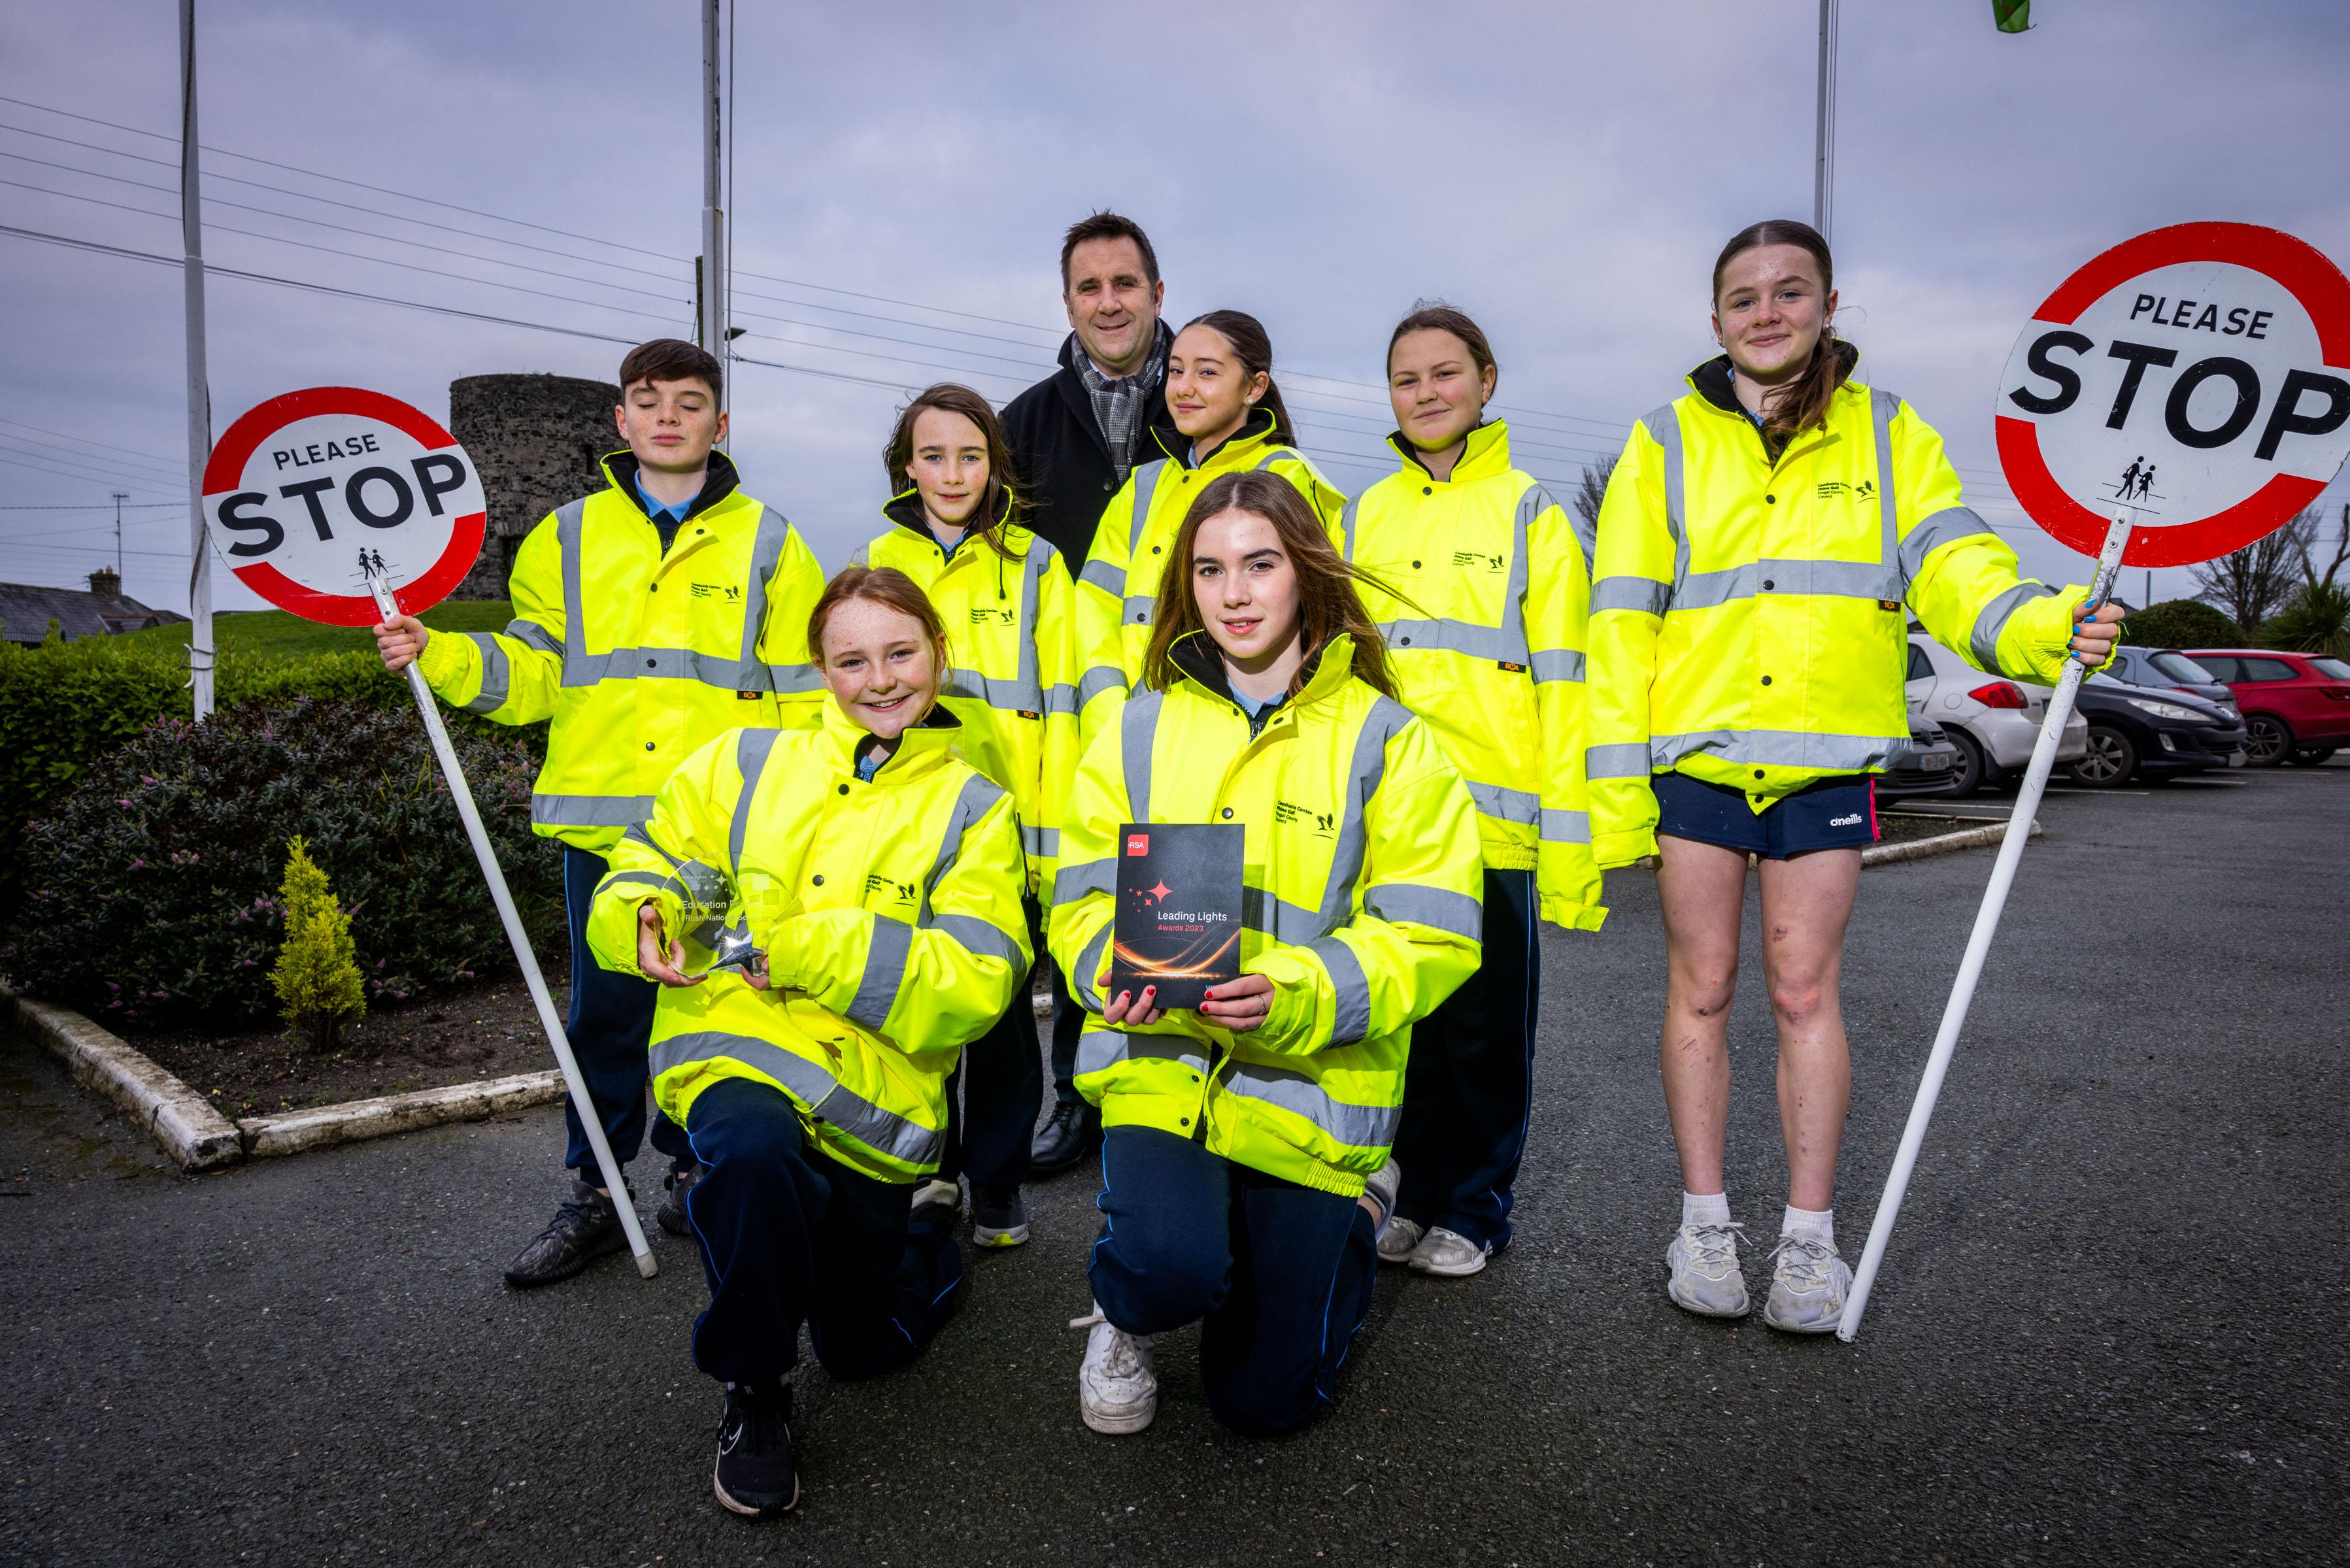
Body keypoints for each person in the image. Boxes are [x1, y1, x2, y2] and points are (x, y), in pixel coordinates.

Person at [1585, 220, 2124, 1333]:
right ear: (1716, 318)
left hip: (1825, 759)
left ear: (1829, 305)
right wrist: (1613, 796)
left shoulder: (1890, 434)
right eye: (1745, 297)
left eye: (1791, 292)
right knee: (1702, 988)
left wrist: (2042, 623)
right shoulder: (1663, 440)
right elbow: (1621, 625)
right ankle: (1702, 1223)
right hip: (1698, 760)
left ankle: (1809, 1242)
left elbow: (1957, 562)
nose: (1767, 311)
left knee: (1800, 992)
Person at [373, 338, 827, 1288]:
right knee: (607, 1016)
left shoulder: (777, 544)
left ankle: (692, 1168)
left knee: (718, 1006)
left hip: (723, 834)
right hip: (604, 832)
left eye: (690, 401)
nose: (668, 416)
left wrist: (799, 816)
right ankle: (592, 1189)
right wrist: (441, 653)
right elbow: (534, 670)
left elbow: (802, 700)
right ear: (618, 421)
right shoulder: (565, 536)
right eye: (648, 401)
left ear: (720, 423)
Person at [588, 565, 1030, 1516]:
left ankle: (922, 1235)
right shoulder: (740, 763)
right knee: (745, 1157)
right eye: (851, 659)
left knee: (863, 1353)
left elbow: (978, 980)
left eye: (901, 652)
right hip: (736, 1047)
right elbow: (650, 862)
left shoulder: (975, 807)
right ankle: (754, 1389)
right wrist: (638, 913)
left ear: (938, 655)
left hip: (875, 1104)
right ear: (820, 671)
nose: (879, 678)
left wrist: (804, 945)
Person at [1051, 469, 1481, 1437]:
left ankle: (1359, 1210)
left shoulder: (1390, 737)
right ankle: (1126, 1308)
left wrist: (1293, 987)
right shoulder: (1135, 722)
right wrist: (1102, 970)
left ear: (1307, 574)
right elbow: (1077, 896)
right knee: (1168, 1269)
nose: (1233, 593)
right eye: (1208, 569)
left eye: (1259, 563)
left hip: (1308, 1087)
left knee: (1262, 1403)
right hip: (1163, 1066)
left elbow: (1434, 931)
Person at [1343, 303, 1605, 1279]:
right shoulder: (1362, 513)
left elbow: (1565, 684)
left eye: (1443, 374)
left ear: (1485, 381)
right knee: (1398, 1021)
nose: (1424, 393)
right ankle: (1405, 1193)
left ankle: (1474, 1205)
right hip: (1392, 822)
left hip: (1494, 823)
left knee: (1482, 1033)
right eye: (1405, 379)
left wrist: (1568, 846)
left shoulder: (1533, 512)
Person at [855, 384, 1107, 1248]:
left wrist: (1060, 837)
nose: (951, 472)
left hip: (1005, 832)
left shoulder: (1038, 566)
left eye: (970, 454)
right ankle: (928, 1171)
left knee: (999, 1020)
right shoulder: (874, 567)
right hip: (904, 829)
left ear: (995, 463)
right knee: (914, 1013)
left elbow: (1071, 707)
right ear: (905, 465)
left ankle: (995, 1183)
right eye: (932, 454)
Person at [999, 211, 1183, 1178]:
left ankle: (1167, 1089)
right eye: (1088, 286)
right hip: (1073, 704)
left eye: (1125, 283)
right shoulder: (1022, 423)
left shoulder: (1206, 400)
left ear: (1158, 292)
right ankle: (1074, 1094)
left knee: (1180, 890)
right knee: (1081, 897)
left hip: (1189, 699)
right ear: (1067, 300)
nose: (1108, 301)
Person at [1076, 309, 1346, 692]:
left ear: (1254, 387)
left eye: (1207, 372)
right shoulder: (1144, 485)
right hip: (1130, 723)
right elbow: (1094, 608)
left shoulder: (1290, 478)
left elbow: (1319, 621)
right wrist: (1111, 713)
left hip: (1235, 723)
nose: (1185, 388)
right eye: (1176, 370)